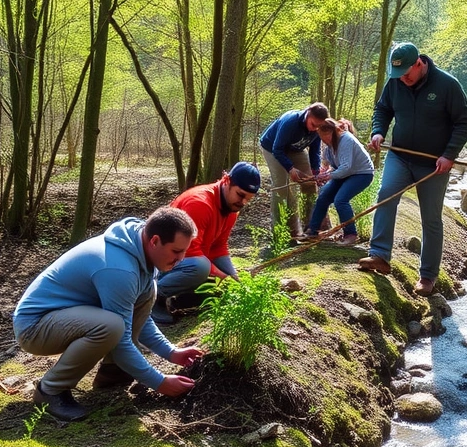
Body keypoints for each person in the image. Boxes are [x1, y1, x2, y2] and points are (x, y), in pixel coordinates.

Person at [13, 207, 205, 421]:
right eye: (176, 251)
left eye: (184, 251)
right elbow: (120, 335)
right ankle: (50, 391)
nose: (181, 258)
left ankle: (113, 372)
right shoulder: (120, 269)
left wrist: (171, 352)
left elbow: (137, 315)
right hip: (35, 327)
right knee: (110, 326)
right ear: (155, 241)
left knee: (147, 294)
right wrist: (158, 382)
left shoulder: (141, 251)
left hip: (65, 318)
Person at [359, 42, 467, 297]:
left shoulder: (447, 85)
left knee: (430, 218)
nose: (403, 80)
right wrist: (378, 131)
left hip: (434, 164)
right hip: (399, 156)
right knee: (385, 197)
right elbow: (383, 109)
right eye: (398, 75)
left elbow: (464, 122)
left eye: (407, 74)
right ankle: (379, 255)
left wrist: (449, 155)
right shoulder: (395, 82)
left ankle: (427, 276)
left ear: (419, 63)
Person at [153, 162, 262, 324]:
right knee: (201, 268)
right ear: (226, 181)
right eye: (240, 195)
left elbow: (219, 246)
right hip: (160, 261)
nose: (243, 202)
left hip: (185, 261)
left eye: (248, 199)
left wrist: (234, 277)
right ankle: (152, 297)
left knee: (218, 279)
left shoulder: (231, 208)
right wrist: (221, 275)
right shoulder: (200, 203)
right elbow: (187, 251)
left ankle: (180, 299)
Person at [259, 102, 329, 237]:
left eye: (319, 126)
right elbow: (277, 149)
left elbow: (314, 151)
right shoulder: (290, 122)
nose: (315, 129)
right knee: (282, 188)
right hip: (273, 148)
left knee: (309, 183)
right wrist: (290, 169)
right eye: (313, 125)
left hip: (295, 149)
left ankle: (311, 227)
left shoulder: (317, 129)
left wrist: (315, 172)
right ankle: (283, 231)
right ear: (307, 114)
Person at [303, 119, 375, 245]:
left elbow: (346, 167)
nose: (324, 140)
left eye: (325, 137)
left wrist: (328, 176)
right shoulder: (328, 146)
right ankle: (312, 232)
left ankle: (350, 235)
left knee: (340, 200)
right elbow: (326, 164)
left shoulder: (346, 139)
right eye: (321, 137)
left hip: (361, 174)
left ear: (332, 132)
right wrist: (320, 174)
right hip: (342, 174)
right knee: (323, 197)